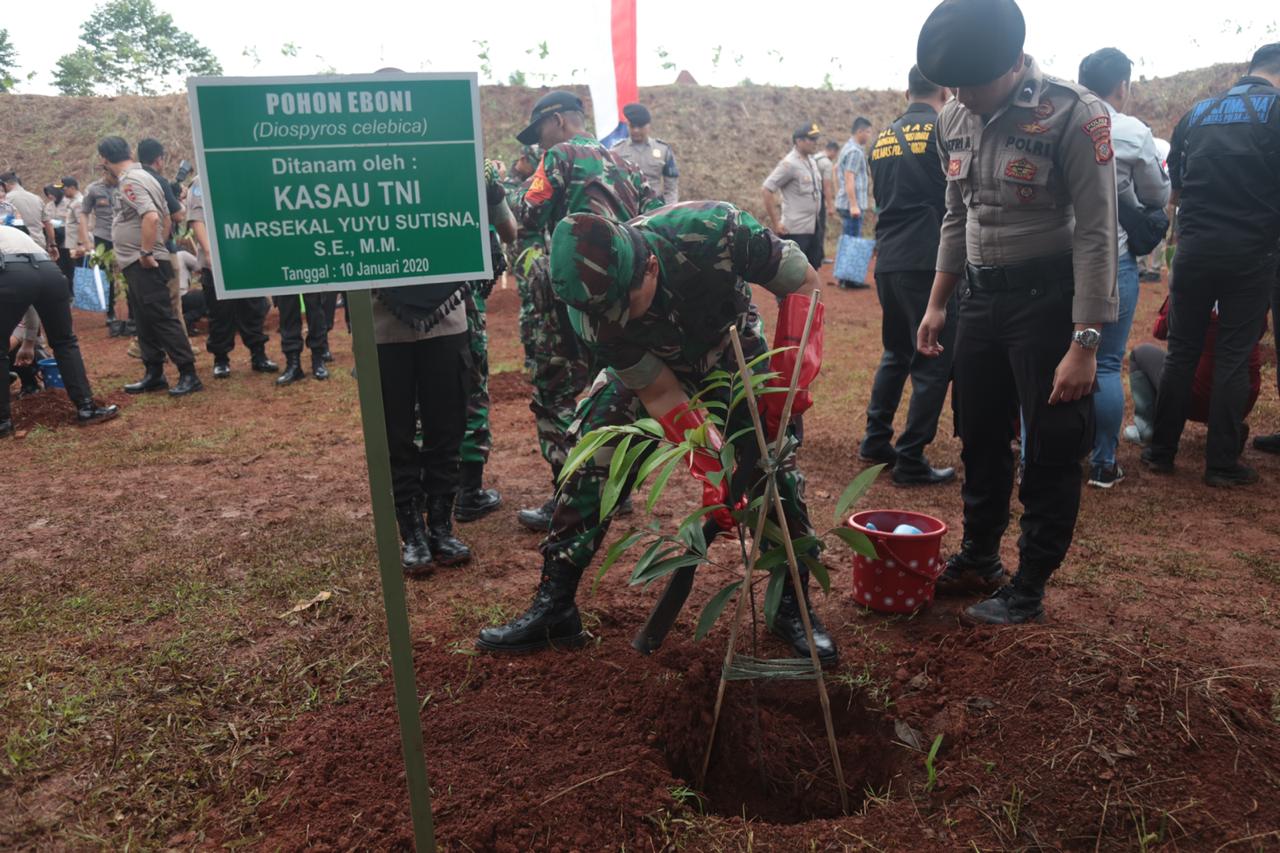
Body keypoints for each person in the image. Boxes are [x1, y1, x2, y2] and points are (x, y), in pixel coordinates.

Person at [477, 202, 836, 663]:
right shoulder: (592, 312)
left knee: (772, 470)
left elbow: (804, 283)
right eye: (604, 316)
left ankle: (791, 605)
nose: (616, 322)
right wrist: (712, 469)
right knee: (595, 455)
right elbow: (661, 392)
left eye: (624, 308)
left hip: (731, 356)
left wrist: (789, 377)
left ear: (648, 268)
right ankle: (555, 604)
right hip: (656, 365)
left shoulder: (715, 231)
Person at [915, 0, 1118, 625]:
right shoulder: (955, 115)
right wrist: (938, 303)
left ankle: (1029, 585)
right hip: (979, 299)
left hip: (1048, 303)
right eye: (952, 86)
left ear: (1011, 64)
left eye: (972, 84)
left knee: (1052, 444)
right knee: (978, 431)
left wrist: (1085, 342)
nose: (961, 97)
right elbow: (958, 213)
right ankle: (980, 556)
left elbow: (1096, 232)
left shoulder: (1074, 114)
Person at [511, 90, 662, 531]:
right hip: (619, 301)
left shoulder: (559, 155)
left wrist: (510, 186)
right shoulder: (626, 163)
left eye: (538, 131)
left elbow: (527, 211)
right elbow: (652, 218)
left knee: (554, 394)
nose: (537, 143)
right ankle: (616, 488)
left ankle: (568, 495)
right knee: (608, 393)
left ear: (557, 121)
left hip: (568, 297)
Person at [1143, 43, 1280, 486]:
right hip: (1252, 251)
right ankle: (1221, 464)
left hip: (1195, 248)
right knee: (1235, 355)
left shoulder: (1197, 114)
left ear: (1250, 69)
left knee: (1181, 351)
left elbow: (1175, 193)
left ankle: (1160, 452)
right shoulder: (1276, 110)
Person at [1073, 48, 1170, 489]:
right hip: (1114, 262)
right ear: (1122, 87)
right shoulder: (1132, 131)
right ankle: (1103, 463)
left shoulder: (1057, 123)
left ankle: (1037, 457)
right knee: (1106, 363)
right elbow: (1157, 193)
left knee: (1046, 358)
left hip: (1059, 261)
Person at [859, 66, 957, 486]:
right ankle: (912, 456)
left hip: (889, 259)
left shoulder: (880, 138)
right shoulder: (945, 131)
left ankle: (875, 439)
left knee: (896, 351)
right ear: (946, 89)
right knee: (934, 360)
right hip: (928, 260)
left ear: (907, 92)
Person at [99, 135, 203, 397]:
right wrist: (160, 246)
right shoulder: (146, 177)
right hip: (142, 260)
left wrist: (148, 252)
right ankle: (154, 372)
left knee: (161, 317)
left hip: (144, 262)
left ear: (104, 160)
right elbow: (168, 217)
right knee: (144, 320)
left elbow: (153, 216)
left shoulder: (131, 181)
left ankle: (188, 372)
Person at [0, 223, 118, 437]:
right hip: (49, 271)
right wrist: (28, 341)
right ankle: (86, 407)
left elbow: (18, 285)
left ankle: (3, 423)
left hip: (12, 271)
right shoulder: (12, 233)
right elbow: (29, 295)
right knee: (64, 341)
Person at [1125, 296, 1263, 447]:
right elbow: (1260, 331)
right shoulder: (1250, 286)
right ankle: (1225, 428)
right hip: (1243, 399)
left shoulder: (1191, 279)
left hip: (1196, 398)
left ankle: (1147, 429)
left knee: (1140, 354)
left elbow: (1160, 330)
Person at [185, 176, 278, 378]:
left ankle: (258, 355)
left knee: (253, 307)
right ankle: (221, 359)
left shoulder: (244, 172)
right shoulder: (202, 180)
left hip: (248, 255)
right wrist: (209, 253)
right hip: (217, 258)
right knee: (220, 312)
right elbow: (197, 219)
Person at [762, 124, 826, 271]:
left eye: (816, 139)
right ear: (799, 141)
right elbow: (767, 189)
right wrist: (776, 222)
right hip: (795, 230)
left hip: (813, 227)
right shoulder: (789, 164)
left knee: (812, 269)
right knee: (792, 274)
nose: (815, 142)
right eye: (811, 139)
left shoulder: (811, 161)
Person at [610, 102, 680, 205]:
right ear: (627, 125)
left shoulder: (663, 150)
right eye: (632, 126)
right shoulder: (616, 151)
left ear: (648, 126)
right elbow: (610, 182)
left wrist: (669, 209)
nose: (636, 130)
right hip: (628, 207)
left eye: (640, 127)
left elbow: (671, 187)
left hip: (655, 208)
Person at [834, 117, 874, 289]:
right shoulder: (855, 152)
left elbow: (836, 169)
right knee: (852, 240)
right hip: (852, 205)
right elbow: (849, 177)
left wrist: (839, 194)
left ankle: (844, 278)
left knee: (848, 238)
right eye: (868, 131)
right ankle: (849, 280)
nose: (869, 135)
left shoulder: (847, 147)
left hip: (846, 202)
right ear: (860, 131)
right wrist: (853, 204)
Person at [79, 175, 120, 323]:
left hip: (123, 235)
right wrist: (85, 240)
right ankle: (110, 311)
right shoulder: (93, 189)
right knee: (106, 275)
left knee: (130, 272)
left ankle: (134, 311)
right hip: (103, 237)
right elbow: (84, 213)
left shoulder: (126, 184)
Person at [0, 173, 57, 261]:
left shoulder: (6, 200)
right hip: (39, 246)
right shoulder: (36, 198)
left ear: (5, 185)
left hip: (16, 249)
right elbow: (48, 224)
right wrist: (52, 245)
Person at [43, 184, 76, 290]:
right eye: (47, 194)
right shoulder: (49, 206)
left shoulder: (69, 203)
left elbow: (74, 219)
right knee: (59, 264)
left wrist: (61, 223)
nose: (50, 196)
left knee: (70, 264)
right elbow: (46, 219)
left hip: (68, 236)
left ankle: (72, 289)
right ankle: (63, 288)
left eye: (51, 193)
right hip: (55, 238)